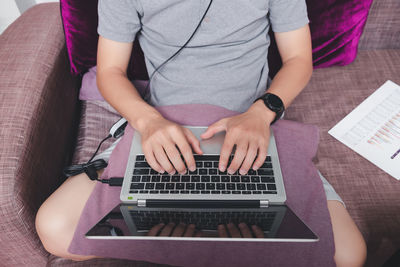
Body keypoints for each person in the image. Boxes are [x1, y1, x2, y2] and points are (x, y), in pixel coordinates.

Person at [35, 0, 367, 266]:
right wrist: (148, 122)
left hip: (254, 124)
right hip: (163, 127)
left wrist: (261, 113)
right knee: (53, 227)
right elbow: (109, 71)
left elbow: (298, 59)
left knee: (349, 255)